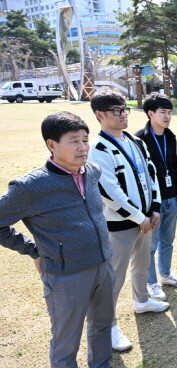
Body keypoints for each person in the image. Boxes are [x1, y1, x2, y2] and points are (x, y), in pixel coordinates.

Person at [0, 112, 114, 367]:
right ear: (52, 145)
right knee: (66, 341)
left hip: (104, 265)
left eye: (85, 139)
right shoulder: (29, 186)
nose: (83, 147)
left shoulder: (91, 171)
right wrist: (33, 250)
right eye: (74, 141)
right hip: (66, 276)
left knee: (103, 327)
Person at [89, 89, 168, 352]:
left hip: (146, 219)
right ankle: (108, 326)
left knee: (142, 265)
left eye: (125, 109)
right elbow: (110, 192)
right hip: (120, 225)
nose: (123, 115)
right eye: (116, 111)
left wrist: (154, 208)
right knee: (113, 277)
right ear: (100, 115)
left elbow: (151, 174)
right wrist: (139, 217)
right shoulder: (98, 149)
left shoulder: (136, 141)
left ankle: (142, 301)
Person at [135, 92, 177, 303]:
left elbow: (174, 166)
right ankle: (151, 283)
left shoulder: (170, 136)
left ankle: (165, 275)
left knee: (168, 240)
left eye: (169, 112)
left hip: (171, 197)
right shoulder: (140, 138)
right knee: (150, 244)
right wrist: (147, 205)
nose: (167, 116)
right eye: (163, 112)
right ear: (150, 113)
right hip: (152, 202)